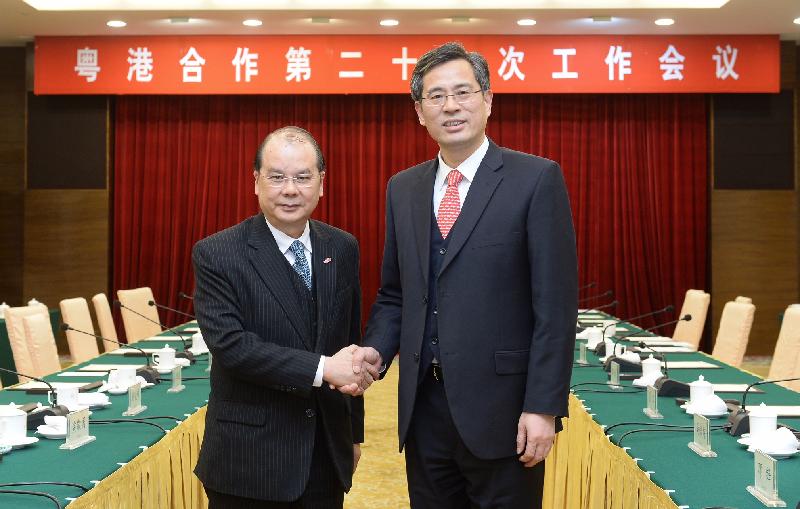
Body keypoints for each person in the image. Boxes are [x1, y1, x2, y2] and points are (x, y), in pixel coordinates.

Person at [352, 42, 578, 508]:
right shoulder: (404, 188)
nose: (450, 106)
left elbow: (555, 308)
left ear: (488, 99)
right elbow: (396, 294)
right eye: (435, 96)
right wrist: (375, 350)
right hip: (424, 410)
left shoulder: (535, 180)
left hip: (506, 410)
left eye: (462, 92)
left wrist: (543, 407)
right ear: (419, 111)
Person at [192, 126, 372, 508]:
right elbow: (232, 347)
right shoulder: (218, 253)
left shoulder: (341, 247)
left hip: (325, 454)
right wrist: (322, 369)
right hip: (251, 461)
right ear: (256, 181)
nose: (290, 189)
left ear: (322, 183)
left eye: (303, 177)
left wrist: (353, 435)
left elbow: (348, 342)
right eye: (276, 177)